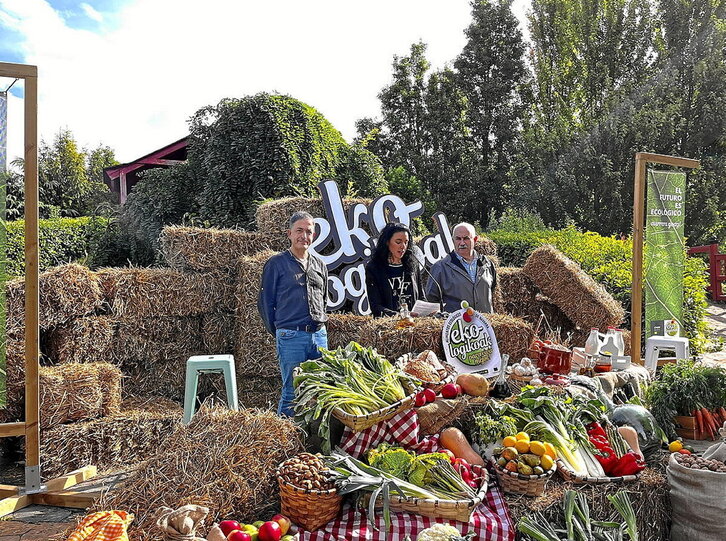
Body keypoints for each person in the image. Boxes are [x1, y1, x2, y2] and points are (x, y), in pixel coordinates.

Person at [258, 211, 328, 417]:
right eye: (299, 231)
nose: (304, 236)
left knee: (321, 390)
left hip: (319, 335)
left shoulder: (319, 265)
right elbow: (265, 303)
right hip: (291, 336)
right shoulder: (276, 264)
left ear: (313, 236)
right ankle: (285, 442)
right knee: (291, 392)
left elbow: (323, 300)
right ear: (289, 233)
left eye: (309, 232)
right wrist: (281, 330)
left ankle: (314, 441)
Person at [425, 222, 497, 313]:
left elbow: (492, 290)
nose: (462, 243)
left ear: (475, 239)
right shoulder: (440, 268)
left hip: (483, 325)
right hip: (456, 325)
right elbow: (431, 301)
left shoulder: (487, 265)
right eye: (458, 239)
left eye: (466, 238)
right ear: (453, 240)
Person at [365, 222, 425, 317]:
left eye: (406, 242)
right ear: (387, 242)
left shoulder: (413, 264)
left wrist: (428, 310)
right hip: (390, 325)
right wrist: (401, 316)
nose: (403, 246)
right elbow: (376, 306)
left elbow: (421, 297)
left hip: (415, 325)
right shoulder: (374, 268)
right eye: (398, 242)